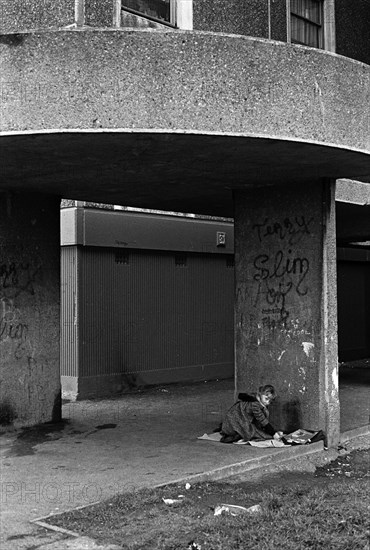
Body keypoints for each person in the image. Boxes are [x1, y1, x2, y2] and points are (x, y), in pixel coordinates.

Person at [219, 384, 284, 443]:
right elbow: (262, 420)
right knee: (258, 435)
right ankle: (237, 436)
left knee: (258, 433)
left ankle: (240, 435)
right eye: (266, 399)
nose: (267, 402)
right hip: (235, 422)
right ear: (261, 394)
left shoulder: (256, 400)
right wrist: (273, 434)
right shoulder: (255, 405)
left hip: (239, 421)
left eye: (270, 401)